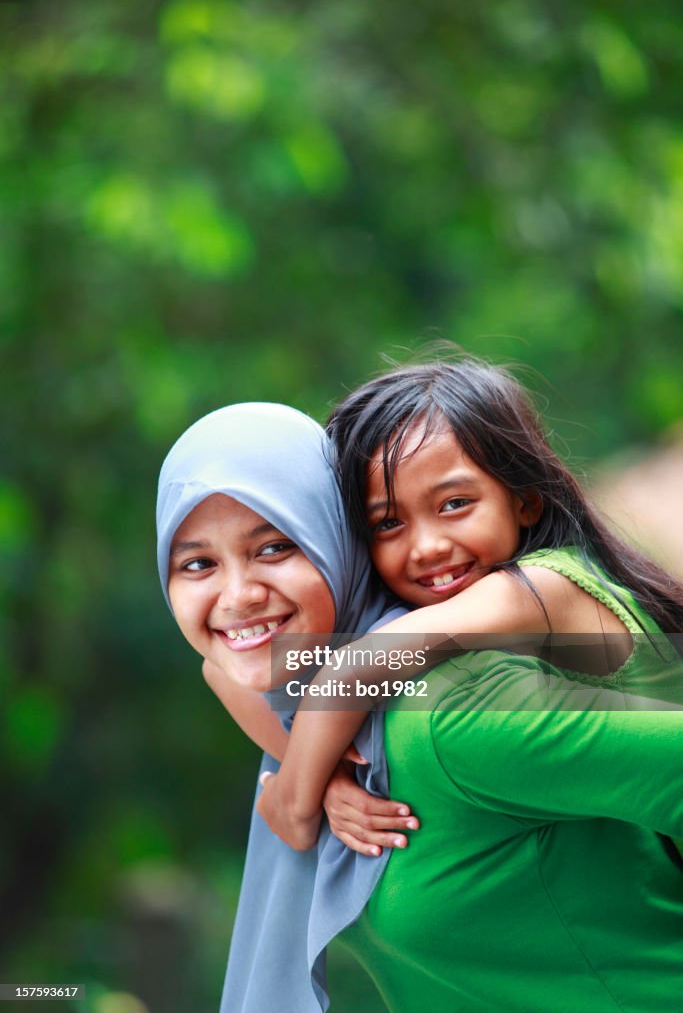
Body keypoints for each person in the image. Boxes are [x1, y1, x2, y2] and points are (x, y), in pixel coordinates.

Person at [256, 356, 683, 1012]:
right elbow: (234, 669)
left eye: (454, 504)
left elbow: (360, 663)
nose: (425, 546)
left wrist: (296, 793)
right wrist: (328, 774)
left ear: (524, 498)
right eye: (387, 524)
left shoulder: (536, 587)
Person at [156, 401, 413, 1013]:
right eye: (198, 563)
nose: (238, 596)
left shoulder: (435, 688)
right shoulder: (290, 682)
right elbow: (218, 671)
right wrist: (314, 772)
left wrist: (300, 785)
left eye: (273, 548)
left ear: (336, 534)